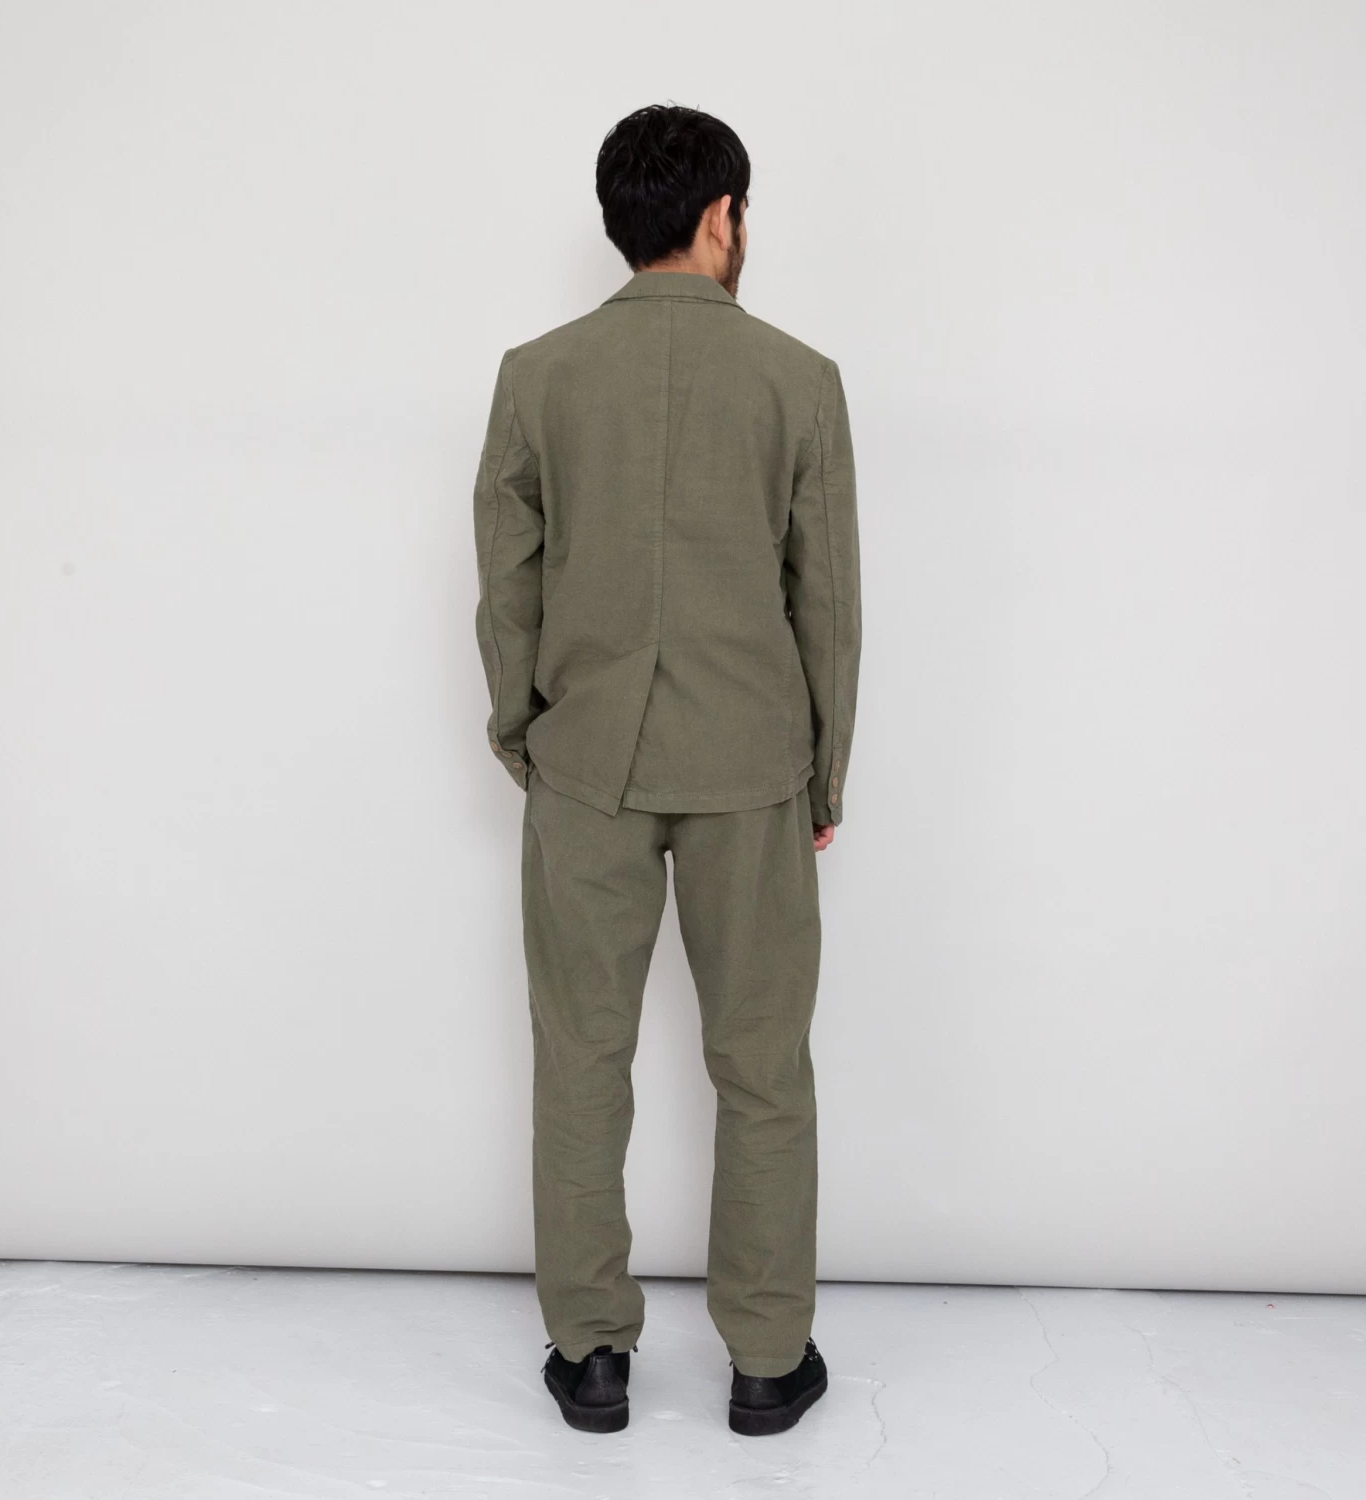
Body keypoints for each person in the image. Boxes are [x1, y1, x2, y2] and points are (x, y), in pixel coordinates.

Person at [470, 102, 861, 1437]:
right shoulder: (800, 380)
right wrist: (823, 776)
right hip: (753, 761)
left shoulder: (537, 376)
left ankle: (592, 1355)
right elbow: (828, 603)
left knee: (581, 1059)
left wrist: (523, 731)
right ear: (718, 217)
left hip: (585, 761)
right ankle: (766, 1361)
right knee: (764, 1069)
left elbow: (506, 583)